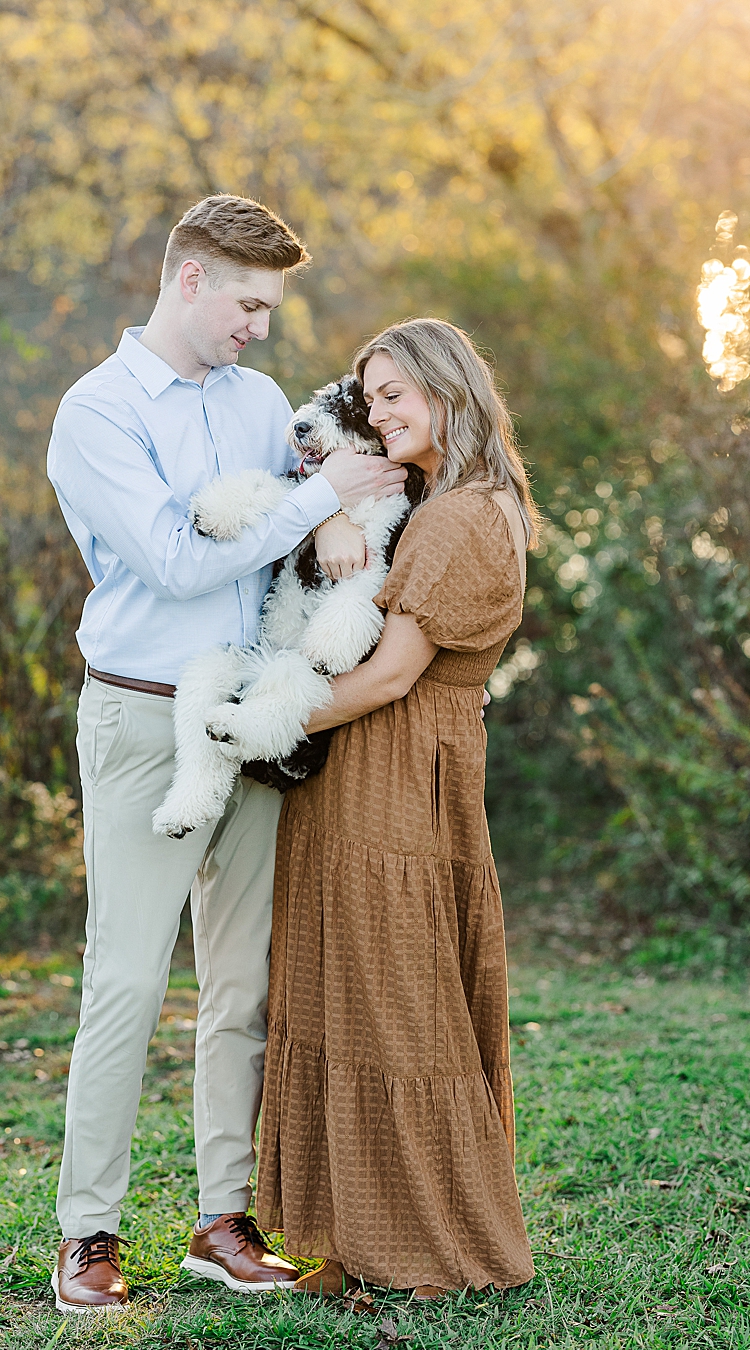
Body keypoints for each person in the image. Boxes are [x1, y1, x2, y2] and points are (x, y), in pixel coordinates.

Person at [45, 195, 408, 1313]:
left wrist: (335, 522)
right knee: (127, 980)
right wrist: (317, 503)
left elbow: (299, 521)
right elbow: (173, 562)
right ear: (191, 279)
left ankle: (222, 1220)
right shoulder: (97, 411)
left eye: (271, 307)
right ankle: (88, 1235)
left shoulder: (260, 403)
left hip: (254, 720)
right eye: (248, 302)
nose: (260, 325)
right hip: (144, 718)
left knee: (242, 983)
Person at [256, 318, 540, 1298]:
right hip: (390, 772)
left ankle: (438, 1249)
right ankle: (353, 1237)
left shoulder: (461, 518)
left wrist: (256, 728)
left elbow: (386, 679)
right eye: (368, 398)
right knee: (351, 993)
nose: (376, 413)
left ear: (448, 391)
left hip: (392, 770)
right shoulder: (455, 499)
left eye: (394, 396)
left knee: (397, 1006)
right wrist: (329, 513)